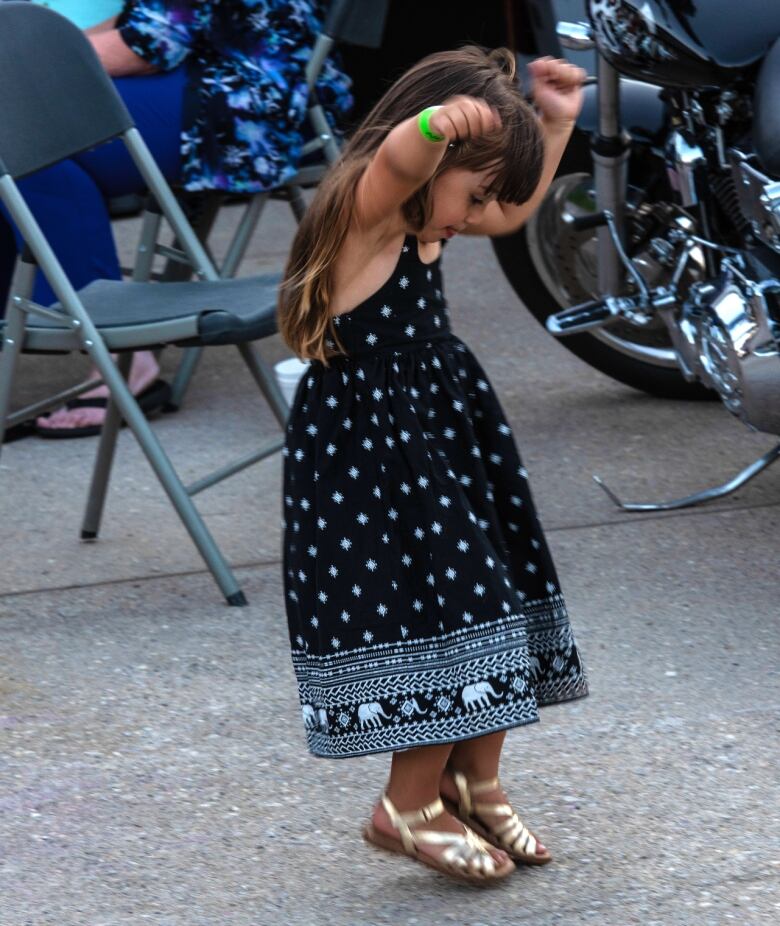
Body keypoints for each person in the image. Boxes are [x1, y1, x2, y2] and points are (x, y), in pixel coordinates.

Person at [277, 47, 589, 884]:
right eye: (472, 191)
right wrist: (431, 129)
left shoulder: (428, 222)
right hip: (372, 464)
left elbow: (510, 212)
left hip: (440, 440)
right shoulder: (370, 214)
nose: (478, 213)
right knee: (440, 620)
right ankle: (406, 805)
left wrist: (553, 123)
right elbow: (395, 163)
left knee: (501, 602)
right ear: (439, 158)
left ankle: (476, 783)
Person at [0, 0, 351, 438]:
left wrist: (19, 69)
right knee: (17, 123)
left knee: (23, 129)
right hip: (219, 72)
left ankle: (118, 354)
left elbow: (147, 46)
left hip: (253, 97)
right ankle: (53, 332)